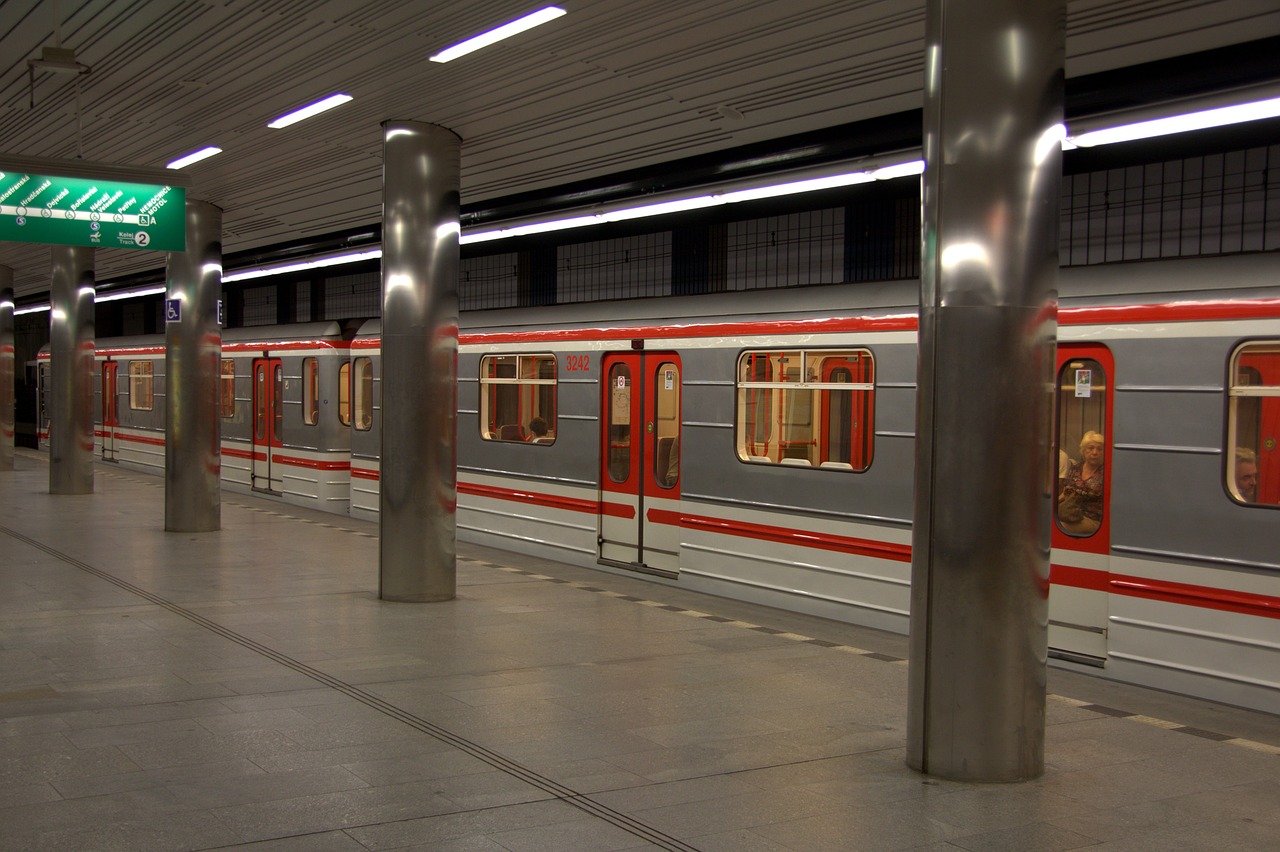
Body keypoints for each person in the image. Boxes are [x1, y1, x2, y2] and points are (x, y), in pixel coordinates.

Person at [1059, 431, 1104, 534]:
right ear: (1083, 451)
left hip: (1094, 520)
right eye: (1090, 448)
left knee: (1059, 527)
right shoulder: (1076, 468)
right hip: (1070, 514)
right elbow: (1065, 492)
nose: (1095, 452)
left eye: (1100, 449)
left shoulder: (1107, 472)